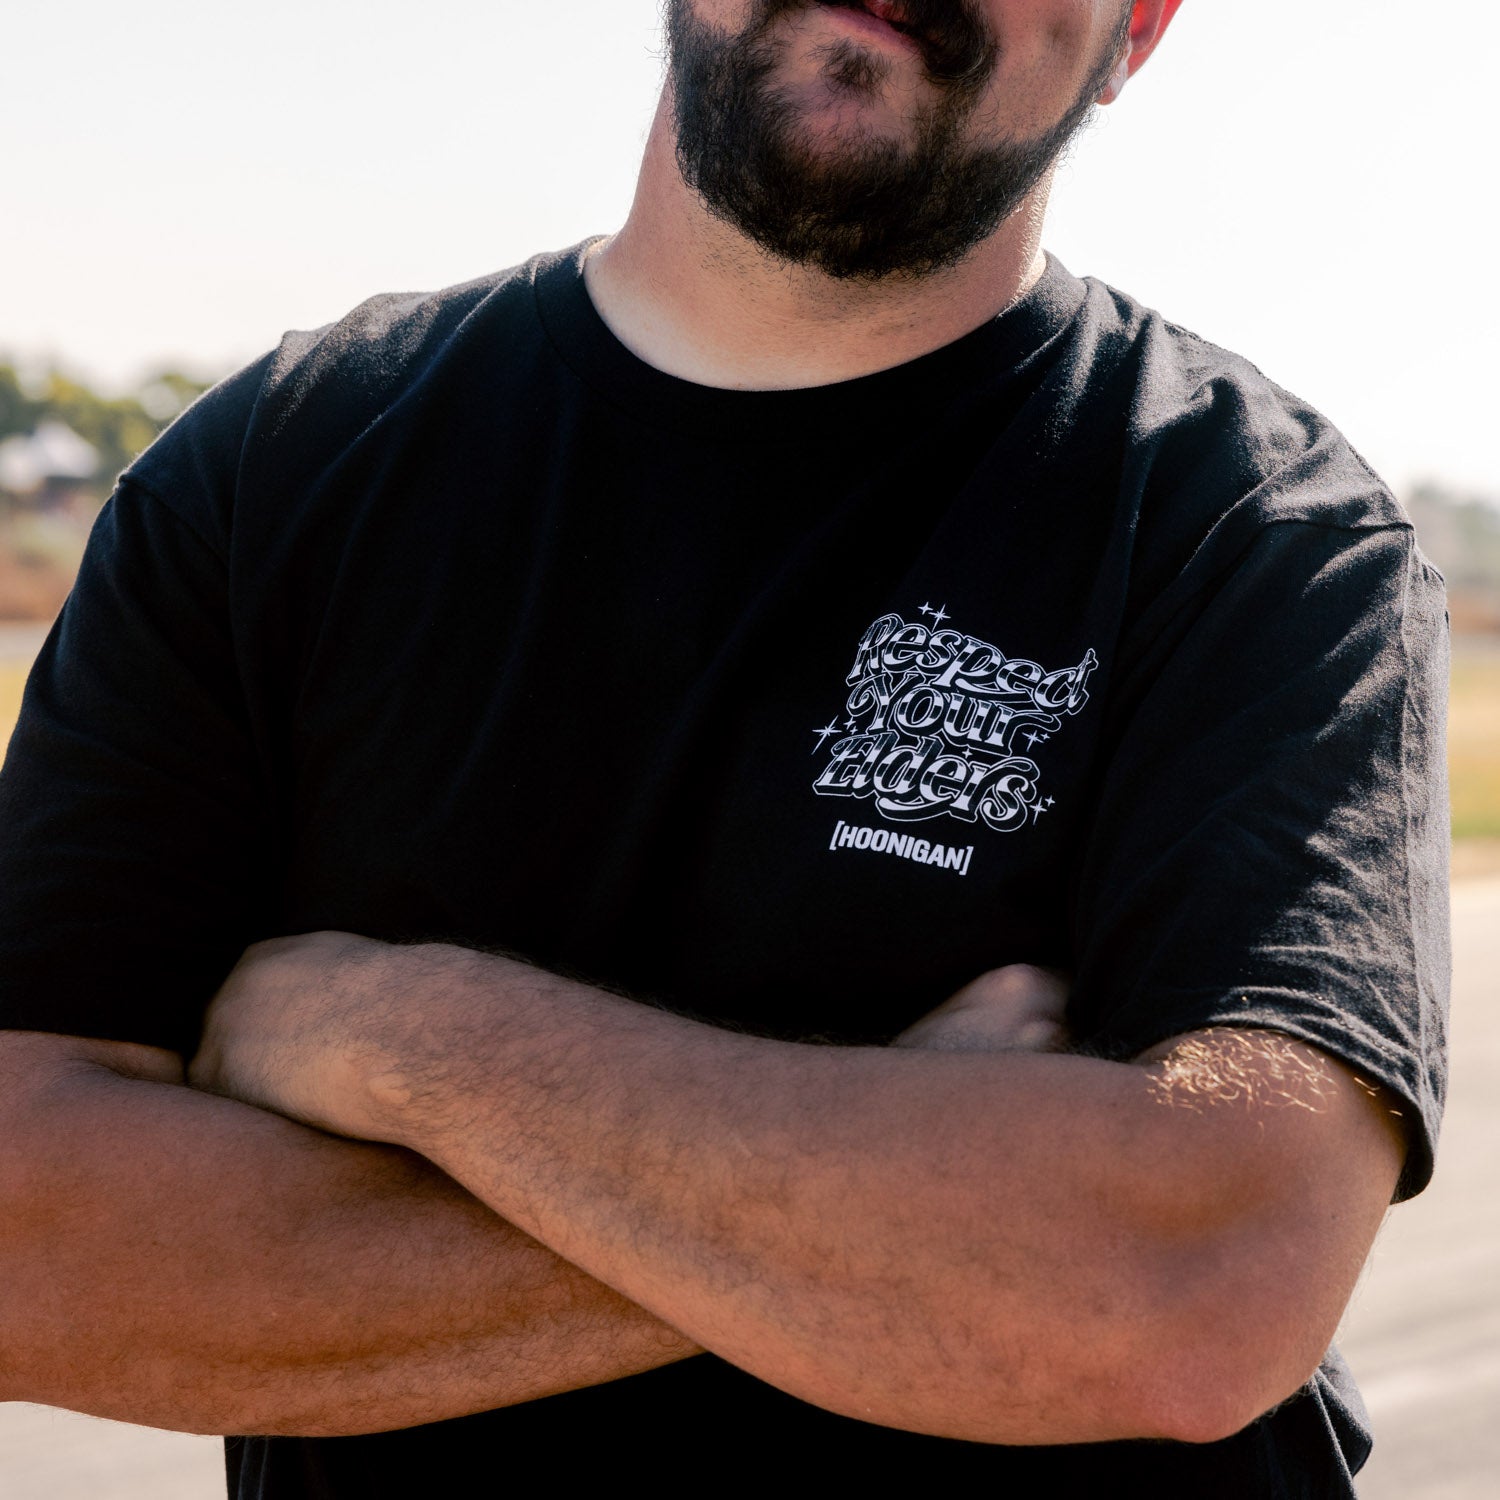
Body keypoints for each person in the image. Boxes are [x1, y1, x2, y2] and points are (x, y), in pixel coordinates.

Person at [0, 1, 1449, 1495]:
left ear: (1137, 25)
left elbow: (1195, 1287)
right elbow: (29, 1250)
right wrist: (896, 1221)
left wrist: (407, 1041)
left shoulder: (1260, 540)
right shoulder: (272, 478)